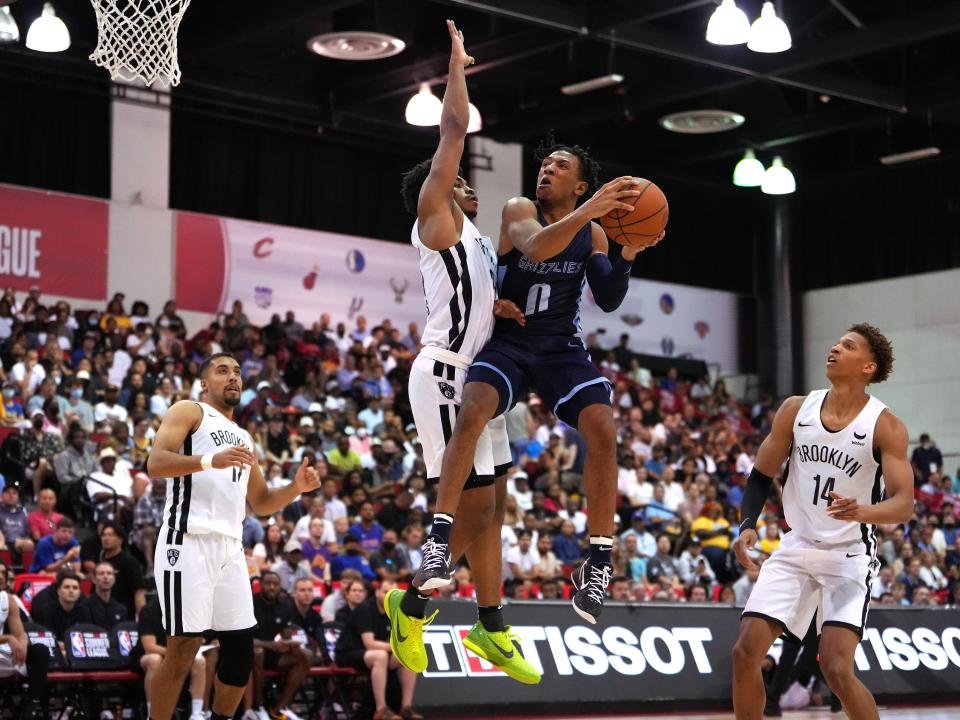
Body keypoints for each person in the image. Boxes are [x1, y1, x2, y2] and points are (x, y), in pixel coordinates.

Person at [412, 133, 665, 623]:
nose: (546, 169)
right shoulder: (519, 208)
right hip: (509, 342)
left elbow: (607, 297)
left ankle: (597, 562)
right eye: (544, 163)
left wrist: (629, 251)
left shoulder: (592, 232)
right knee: (474, 409)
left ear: (581, 183)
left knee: (604, 430)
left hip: (558, 350)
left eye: (559, 165)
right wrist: (589, 210)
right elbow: (536, 246)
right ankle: (439, 540)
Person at [388, 20, 537, 687]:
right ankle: (411, 604)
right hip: (446, 379)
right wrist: (457, 66)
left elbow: (477, 297)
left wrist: (498, 309)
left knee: (496, 507)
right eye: (460, 180)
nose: (471, 184)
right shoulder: (436, 217)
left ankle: (492, 623)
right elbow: (452, 132)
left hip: (481, 380)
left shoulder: (474, 239)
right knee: (473, 508)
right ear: (442, 187)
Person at [731, 324, 914, 720]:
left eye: (847, 346)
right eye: (836, 342)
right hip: (797, 544)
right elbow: (761, 474)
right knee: (745, 653)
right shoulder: (796, 409)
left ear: (868, 366)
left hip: (848, 554)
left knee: (835, 667)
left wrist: (861, 511)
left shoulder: (886, 426)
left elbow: (903, 505)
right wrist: (747, 523)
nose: (834, 347)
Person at [145, 353, 321, 720]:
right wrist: (211, 461)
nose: (233, 377)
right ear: (204, 382)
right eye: (222, 370)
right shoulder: (189, 410)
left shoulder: (244, 438)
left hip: (230, 549)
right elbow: (156, 462)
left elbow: (261, 501)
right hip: (187, 541)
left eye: (238, 372)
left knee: (240, 653)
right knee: (183, 648)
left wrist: (295, 488)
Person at [335, 580, 422, 720]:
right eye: (385, 592)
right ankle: (381, 710)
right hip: (349, 652)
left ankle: (406, 708)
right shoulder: (365, 609)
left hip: (375, 655)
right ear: (377, 593)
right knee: (380, 656)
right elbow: (369, 643)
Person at [251, 571, 311, 720]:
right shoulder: (250, 603)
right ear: (260, 586)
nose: (271, 587)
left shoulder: (285, 605)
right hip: (249, 653)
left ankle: (280, 708)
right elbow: (244, 639)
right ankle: (258, 706)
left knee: (305, 657)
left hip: (271, 652)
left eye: (275, 584)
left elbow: (286, 637)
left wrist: (292, 646)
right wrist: (271, 645)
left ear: (280, 587)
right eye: (268, 583)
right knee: (258, 653)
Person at [137, 595, 207, 720]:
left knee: (199, 661)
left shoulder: (183, 609)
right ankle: (150, 713)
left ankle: (196, 714)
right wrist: (177, 653)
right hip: (147, 656)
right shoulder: (148, 610)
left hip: (175, 654)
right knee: (155, 660)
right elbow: (149, 647)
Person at [0, 563, 49, 719]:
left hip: (3, 655)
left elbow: (20, 634)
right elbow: (11, 637)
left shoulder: (8, 600)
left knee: (40, 649)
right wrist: (8, 638)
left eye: (3, 573)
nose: (1, 576)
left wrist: (22, 644)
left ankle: (32, 706)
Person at [95, 521, 146, 619]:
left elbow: (139, 591)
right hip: (101, 613)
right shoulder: (101, 560)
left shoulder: (129, 561)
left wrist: (143, 618)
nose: (106, 538)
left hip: (124, 614)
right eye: (104, 535)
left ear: (120, 539)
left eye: (111, 535)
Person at [33, 572, 93, 649]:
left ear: (79, 593)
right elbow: (49, 640)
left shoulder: (84, 611)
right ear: (58, 591)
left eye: (75, 588)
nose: (71, 591)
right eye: (67, 587)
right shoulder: (47, 610)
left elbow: (89, 639)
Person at [86, 561, 127, 629]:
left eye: (109, 573)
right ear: (93, 579)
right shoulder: (85, 606)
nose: (106, 577)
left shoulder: (121, 609)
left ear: (114, 579)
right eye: (101, 573)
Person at [0, 484, 34, 554]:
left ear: (18, 497)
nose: (11, 495)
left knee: (29, 544)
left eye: (14, 493)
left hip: (20, 543)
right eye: (8, 492)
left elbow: (26, 532)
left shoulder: (22, 513)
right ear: (2, 496)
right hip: (4, 542)